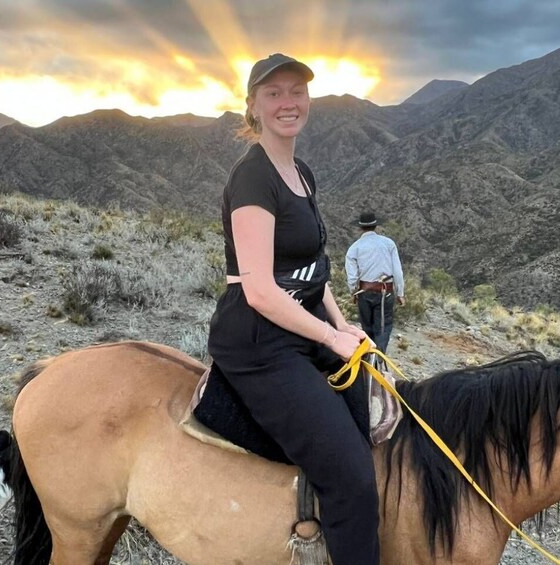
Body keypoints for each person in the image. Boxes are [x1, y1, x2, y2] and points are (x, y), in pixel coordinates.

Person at [207, 54, 380, 565]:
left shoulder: (299, 170)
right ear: (253, 107)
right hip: (259, 340)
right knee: (350, 478)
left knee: (380, 413)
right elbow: (260, 288)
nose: (289, 102)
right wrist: (330, 339)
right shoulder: (253, 177)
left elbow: (311, 266)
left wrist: (342, 322)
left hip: (300, 324)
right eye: (274, 93)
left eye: (297, 91)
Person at [345, 211, 405, 353]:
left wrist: (353, 292)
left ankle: (369, 358)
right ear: (376, 226)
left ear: (360, 228)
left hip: (364, 293)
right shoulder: (388, 244)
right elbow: (397, 271)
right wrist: (400, 293)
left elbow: (352, 277)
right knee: (383, 328)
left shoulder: (354, 248)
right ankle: (379, 359)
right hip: (385, 291)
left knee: (367, 328)